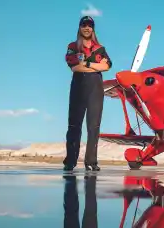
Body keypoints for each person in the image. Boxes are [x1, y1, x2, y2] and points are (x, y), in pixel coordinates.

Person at [63, 15, 112, 171]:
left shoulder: (100, 48)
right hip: (78, 86)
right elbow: (74, 67)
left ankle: (91, 162)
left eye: (89, 25)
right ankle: (70, 161)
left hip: (95, 88)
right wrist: (96, 66)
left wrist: (87, 63)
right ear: (79, 27)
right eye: (84, 25)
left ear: (93, 28)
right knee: (74, 125)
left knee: (93, 126)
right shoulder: (73, 46)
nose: (87, 28)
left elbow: (107, 66)